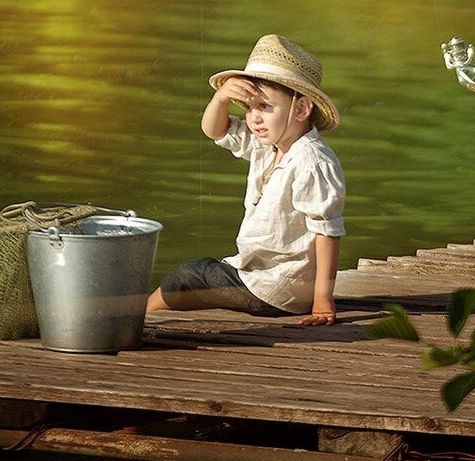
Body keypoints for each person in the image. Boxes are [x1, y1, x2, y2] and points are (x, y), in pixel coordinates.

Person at [145, 34, 345, 327]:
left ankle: (138, 315)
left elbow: (326, 230)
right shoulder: (269, 145)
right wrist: (221, 98)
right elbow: (215, 130)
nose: (254, 119)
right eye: (248, 108)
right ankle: (148, 311)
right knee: (197, 281)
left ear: (301, 109)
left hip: (277, 287)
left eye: (265, 107)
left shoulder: (312, 160)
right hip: (258, 273)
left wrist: (322, 300)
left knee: (190, 274)